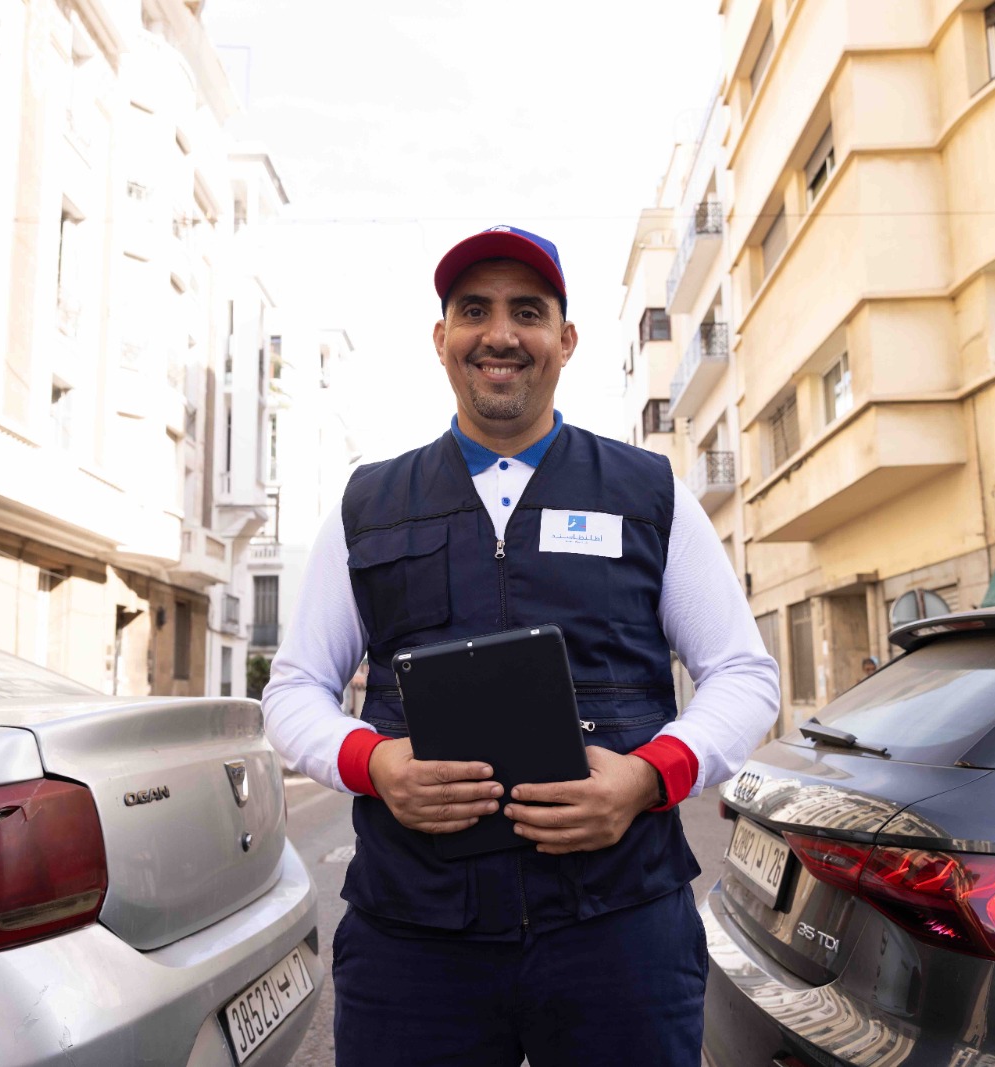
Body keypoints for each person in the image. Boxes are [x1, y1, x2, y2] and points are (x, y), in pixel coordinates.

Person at [262, 225, 780, 1067]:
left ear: (565, 341)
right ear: (442, 339)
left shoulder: (649, 494)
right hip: (417, 937)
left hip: (618, 927)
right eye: (474, 310)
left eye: (527, 311)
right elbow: (293, 689)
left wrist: (650, 775)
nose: (500, 334)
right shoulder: (371, 504)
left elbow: (743, 674)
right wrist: (375, 763)